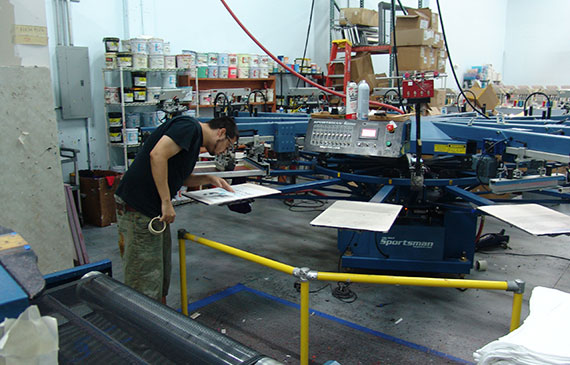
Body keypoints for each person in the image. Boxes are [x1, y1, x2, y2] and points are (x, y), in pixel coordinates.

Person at [114, 115, 238, 304]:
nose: (224, 151)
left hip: (152, 212)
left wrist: (208, 179)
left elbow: (178, 177)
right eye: (228, 145)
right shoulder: (189, 127)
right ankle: (145, 330)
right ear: (221, 132)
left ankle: (159, 323)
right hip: (138, 209)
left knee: (159, 277)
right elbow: (157, 155)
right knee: (144, 282)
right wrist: (166, 201)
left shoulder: (194, 140)